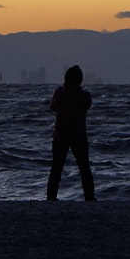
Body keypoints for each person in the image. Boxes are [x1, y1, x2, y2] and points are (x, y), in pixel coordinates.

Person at [46, 64, 95, 201]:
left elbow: (53, 107)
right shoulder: (85, 96)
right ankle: (89, 197)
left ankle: (51, 197)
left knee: (56, 168)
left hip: (60, 135)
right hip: (79, 136)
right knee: (84, 168)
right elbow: (87, 105)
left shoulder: (60, 93)